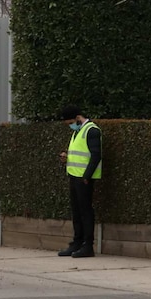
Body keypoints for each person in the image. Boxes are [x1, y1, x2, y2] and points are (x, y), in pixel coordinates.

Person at [57, 105, 102, 258]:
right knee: (77, 212)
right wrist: (66, 156)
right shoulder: (78, 131)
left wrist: (86, 176)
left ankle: (88, 246)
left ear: (77, 117)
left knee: (86, 212)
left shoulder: (92, 130)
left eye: (70, 122)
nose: (69, 125)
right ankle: (77, 243)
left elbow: (96, 155)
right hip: (74, 176)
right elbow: (81, 153)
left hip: (84, 179)